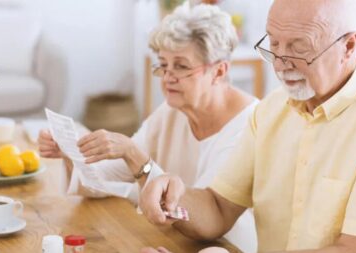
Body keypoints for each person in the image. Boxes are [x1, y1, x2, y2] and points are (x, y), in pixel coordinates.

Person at [139, 0, 356, 252]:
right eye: (273, 44)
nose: (281, 64)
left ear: (348, 46)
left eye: (299, 48)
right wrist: (173, 196)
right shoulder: (270, 110)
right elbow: (219, 208)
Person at [38, 4, 258, 251]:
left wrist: (134, 155)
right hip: (172, 241)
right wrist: (72, 151)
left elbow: (207, 224)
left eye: (182, 66)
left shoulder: (249, 125)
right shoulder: (172, 111)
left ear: (219, 71)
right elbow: (106, 179)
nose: (167, 77)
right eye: (163, 65)